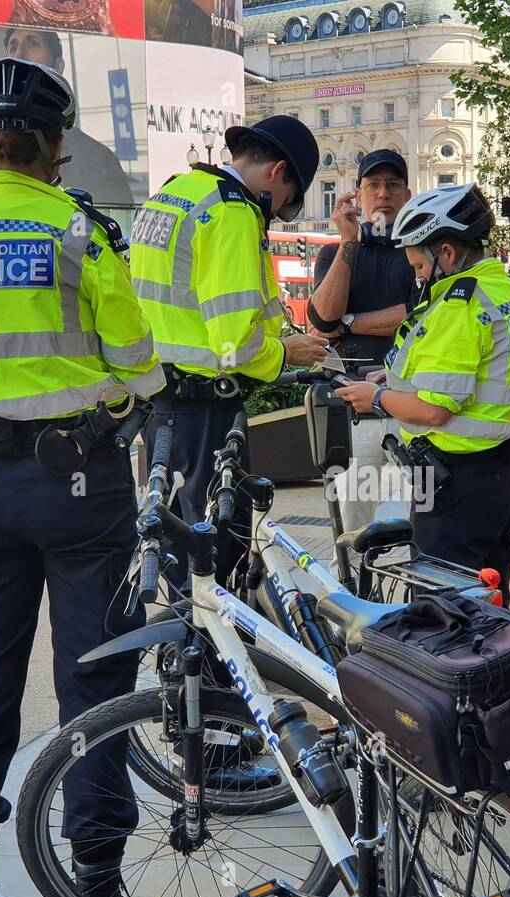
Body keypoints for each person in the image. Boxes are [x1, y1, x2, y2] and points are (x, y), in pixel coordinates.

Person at [0, 56, 167, 897]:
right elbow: (138, 362)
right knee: (94, 681)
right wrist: (121, 397)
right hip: (79, 484)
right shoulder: (78, 231)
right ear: (58, 146)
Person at [130, 114, 330, 589]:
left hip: (161, 402)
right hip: (205, 409)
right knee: (215, 546)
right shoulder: (231, 212)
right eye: (286, 200)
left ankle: (181, 652)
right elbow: (234, 343)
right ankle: (212, 655)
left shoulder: (175, 192)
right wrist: (286, 354)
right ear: (278, 172)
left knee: (172, 535)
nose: (275, 211)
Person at [335, 184, 510, 607]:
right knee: (488, 609)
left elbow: (433, 410)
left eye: (417, 263)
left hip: (455, 489)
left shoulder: (460, 306)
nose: (417, 275)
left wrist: (374, 400)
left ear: (446, 253)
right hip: (500, 477)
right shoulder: (505, 293)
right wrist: (389, 381)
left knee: (443, 620)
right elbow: (475, 378)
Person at [308, 149, 416, 542]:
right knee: (352, 529)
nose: (383, 194)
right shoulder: (336, 253)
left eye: (392, 185)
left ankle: (422, 596)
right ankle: (355, 594)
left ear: (407, 194)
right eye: (373, 185)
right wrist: (348, 242)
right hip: (353, 404)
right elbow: (321, 321)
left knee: (425, 518)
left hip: (410, 403)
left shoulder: (417, 251)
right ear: (358, 194)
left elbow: (417, 314)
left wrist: (349, 322)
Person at [0, 27, 134, 206]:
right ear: (57, 146)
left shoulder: (99, 158)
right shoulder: (86, 227)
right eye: (13, 46)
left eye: (33, 43)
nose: (19, 53)